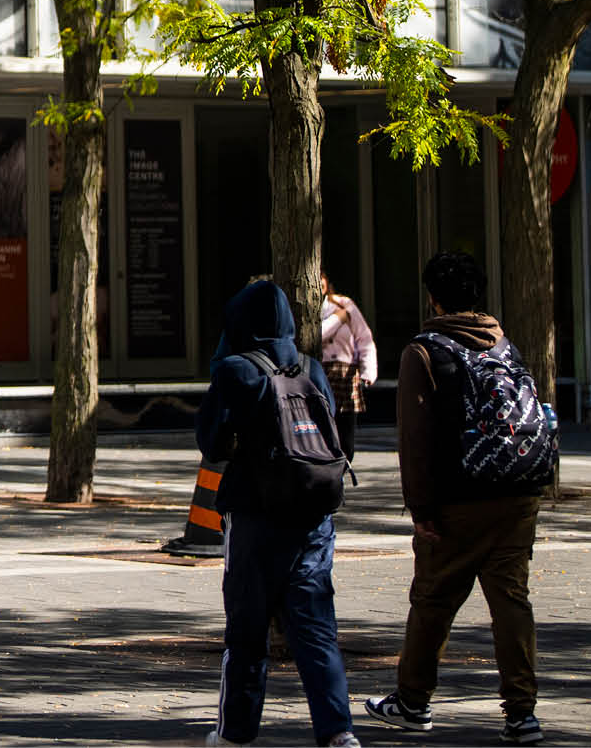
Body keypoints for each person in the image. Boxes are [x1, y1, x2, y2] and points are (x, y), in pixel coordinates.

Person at [366, 253, 548, 746]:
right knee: (511, 602)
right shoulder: (503, 343)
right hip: (518, 496)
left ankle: (412, 702)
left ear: (432, 296)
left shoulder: (424, 352)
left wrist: (422, 511)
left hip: (458, 502)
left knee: (433, 601)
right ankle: (521, 714)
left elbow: (415, 440)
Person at [198, 279, 356, 748]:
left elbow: (211, 442)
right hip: (313, 517)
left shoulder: (235, 369)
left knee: (246, 632)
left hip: (255, 517)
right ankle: (338, 732)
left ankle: (235, 734)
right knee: (316, 630)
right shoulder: (310, 366)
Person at [318, 276, 378, 424]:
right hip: (319, 373)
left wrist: (368, 372)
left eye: (321, 277)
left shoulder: (343, 304)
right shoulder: (301, 308)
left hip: (345, 375)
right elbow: (315, 336)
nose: (318, 282)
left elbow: (364, 338)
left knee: (345, 434)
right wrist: (337, 319)